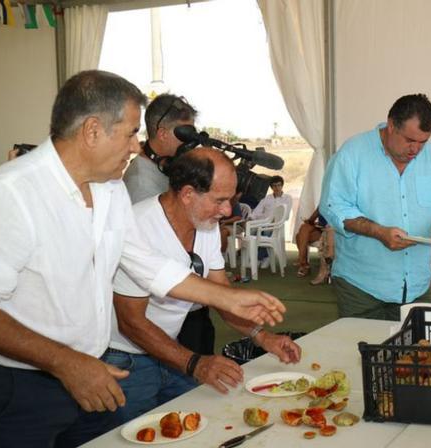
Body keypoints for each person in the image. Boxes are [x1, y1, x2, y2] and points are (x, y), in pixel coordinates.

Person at [0, 70, 285, 448]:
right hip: (19, 384)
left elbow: (146, 265)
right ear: (92, 131)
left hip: (91, 371)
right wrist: (66, 363)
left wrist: (231, 300)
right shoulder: (10, 195)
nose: (138, 146)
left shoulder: (110, 190)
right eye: (131, 132)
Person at [104, 147, 301, 426]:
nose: (228, 210)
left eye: (230, 199)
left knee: (205, 425)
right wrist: (194, 363)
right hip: (126, 361)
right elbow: (131, 323)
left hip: (171, 351)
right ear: (187, 194)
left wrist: (262, 337)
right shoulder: (137, 227)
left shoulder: (206, 226)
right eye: (220, 200)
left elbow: (222, 297)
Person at [320, 94, 431, 320]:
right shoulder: (353, 153)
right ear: (391, 125)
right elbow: (333, 207)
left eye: (423, 142)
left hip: (417, 285)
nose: (415, 149)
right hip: (362, 288)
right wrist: (378, 232)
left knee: (421, 353)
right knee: (363, 353)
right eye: (409, 140)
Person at [123, 94, 197, 203]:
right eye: (185, 135)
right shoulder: (142, 187)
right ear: (163, 134)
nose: (189, 142)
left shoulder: (165, 166)